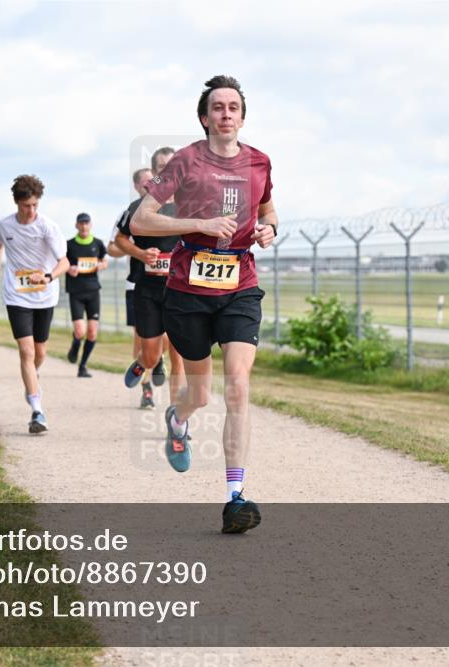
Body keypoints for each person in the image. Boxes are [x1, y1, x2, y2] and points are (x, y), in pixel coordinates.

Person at [130, 75, 278, 534]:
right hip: (189, 289)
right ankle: (178, 419)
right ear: (205, 116)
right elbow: (143, 219)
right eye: (218, 108)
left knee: (237, 384)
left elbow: (268, 210)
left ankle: (236, 497)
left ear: (242, 116)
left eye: (233, 107)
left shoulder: (260, 163)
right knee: (201, 393)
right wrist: (200, 221)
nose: (226, 114)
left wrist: (269, 229)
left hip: (240, 283)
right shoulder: (185, 161)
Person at [0, 175, 69, 434]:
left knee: (40, 353)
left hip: (44, 295)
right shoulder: (4, 225)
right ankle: (37, 410)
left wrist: (47, 276)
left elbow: (64, 262)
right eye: (26, 206)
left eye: (34, 205)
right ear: (17, 203)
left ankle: (30, 379)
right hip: (16, 296)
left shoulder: (47, 227)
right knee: (27, 353)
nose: (31, 211)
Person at [117, 148, 184, 410]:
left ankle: (177, 420)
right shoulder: (137, 208)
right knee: (153, 354)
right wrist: (141, 253)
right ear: (155, 174)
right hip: (149, 291)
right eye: (162, 167)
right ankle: (143, 363)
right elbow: (120, 240)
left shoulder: (191, 205)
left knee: (179, 357)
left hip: (181, 291)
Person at [110, 167, 154, 407]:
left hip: (167, 284)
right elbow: (113, 247)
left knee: (166, 341)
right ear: (137, 186)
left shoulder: (170, 209)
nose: (150, 185)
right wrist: (135, 249)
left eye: (153, 180)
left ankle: (155, 360)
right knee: (141, 340)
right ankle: (146, 389)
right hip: (137, 283)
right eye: (145, 183)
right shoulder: (130, 212)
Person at [64, 213, 108, 378]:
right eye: (81, 223)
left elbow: (105, 261)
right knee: (80, 331)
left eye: (86, 223)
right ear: (76, 225)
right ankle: (75, 345)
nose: (84, 226)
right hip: (75, 291)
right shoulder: (69, 245)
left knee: (92, 332)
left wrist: (101, 265)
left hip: (93, 291)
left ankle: (82, 366)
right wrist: (69, 269)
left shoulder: (97, 244)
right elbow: (62, 262)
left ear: (91, 225)